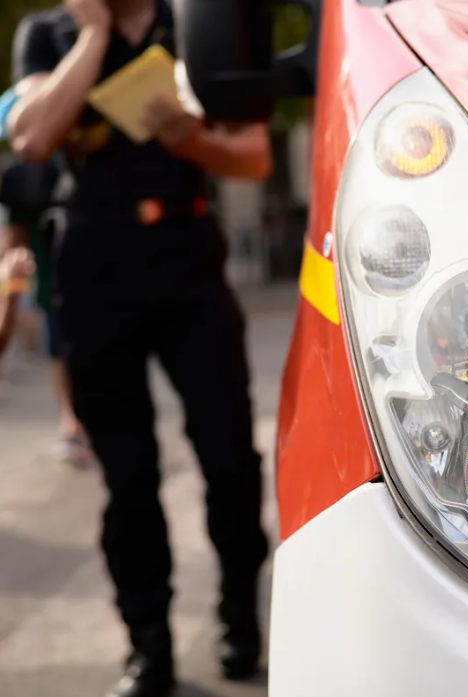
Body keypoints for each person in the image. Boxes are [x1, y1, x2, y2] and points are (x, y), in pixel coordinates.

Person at [8, 0, 273, 695]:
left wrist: (192, 142)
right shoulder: (48, 34)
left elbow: (254, 157)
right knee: (128, 476)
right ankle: (147, 644)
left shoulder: (200, 22)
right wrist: (93, 36)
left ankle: (238, 616)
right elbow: (31, 138)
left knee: (230, 460)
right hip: (94, 265)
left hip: (188, 260)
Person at [0, 152, 93, 465]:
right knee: (61, 352)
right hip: (55, 285)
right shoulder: (26, 176)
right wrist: (11, 287)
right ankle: (73, 423)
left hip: (96, 281)